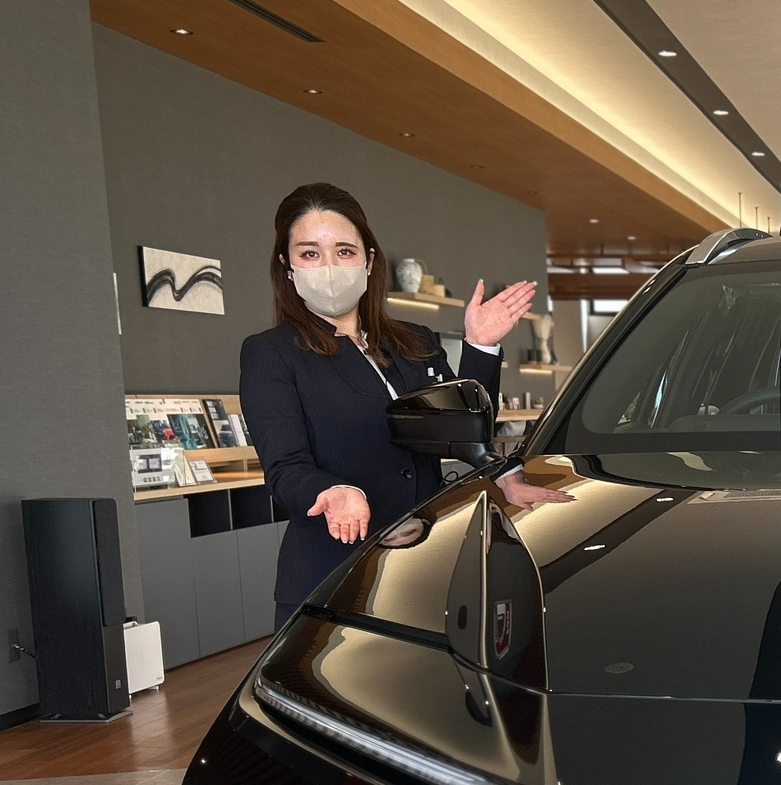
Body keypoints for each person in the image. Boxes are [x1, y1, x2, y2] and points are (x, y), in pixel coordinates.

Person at [239, 181, 562, 629]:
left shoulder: (414, 340)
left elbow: (464, 430)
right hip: (335, 572)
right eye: (310, 253)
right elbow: (285, 468)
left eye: (345, 252)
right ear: (286, 266)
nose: (329, 267)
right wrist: (331, 491)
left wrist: (480, 345)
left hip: (428, 562)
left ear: (369, 261)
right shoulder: (271, 353)